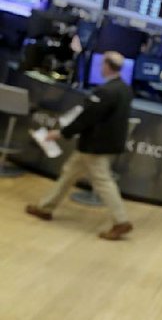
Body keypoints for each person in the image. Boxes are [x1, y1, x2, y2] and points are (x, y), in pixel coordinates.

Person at [25, 51, 135, 240]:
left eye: (102, 64)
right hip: (101, 144)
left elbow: (86, 118)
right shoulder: (125, 89)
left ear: (108, 65)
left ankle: (121, 221)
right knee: (69, 173)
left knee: (103, 181)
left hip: (95, 145)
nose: (100, 67)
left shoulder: (105, 91)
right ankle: (45, 208)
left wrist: (60, 133)